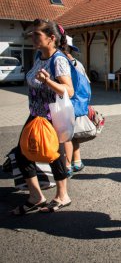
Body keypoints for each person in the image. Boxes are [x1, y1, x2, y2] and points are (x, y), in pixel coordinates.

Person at [12, 19, 72, 215]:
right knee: (22, 153)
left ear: (51, 38)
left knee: (53, 155)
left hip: (50, 116)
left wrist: (48, 81)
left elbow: (68, 91)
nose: (32, 37)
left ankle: (62, 195)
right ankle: (36, 196)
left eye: (37, 34)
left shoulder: (59, 59)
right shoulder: (39, 56)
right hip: (35, 114)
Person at [59, 36, 88, 177]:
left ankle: (67, 166)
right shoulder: (77, 64)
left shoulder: (59, 62)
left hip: (63, 103)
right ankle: (77, 162)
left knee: (66, 137)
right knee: (73, 134)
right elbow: (86, 82)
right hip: (78, 103)